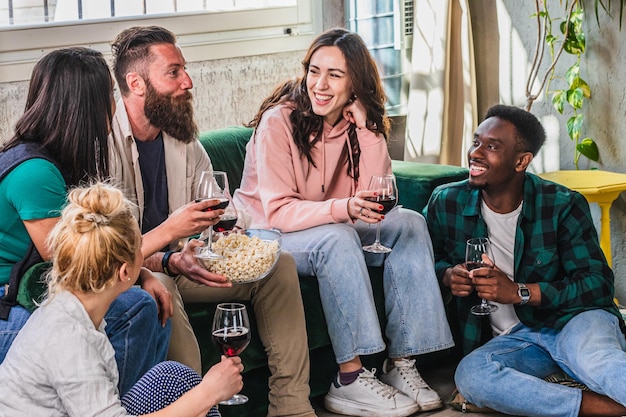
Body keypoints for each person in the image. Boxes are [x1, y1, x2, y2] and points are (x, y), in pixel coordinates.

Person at [233, 28, 454, 417]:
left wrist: (369, 132)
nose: (319, 85)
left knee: (409, 223)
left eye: (334, 75)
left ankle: (401, 364)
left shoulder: (355, 122)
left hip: (322, 227)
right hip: (266, 234)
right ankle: (350, 378)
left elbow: (378, 199)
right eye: (314, 71)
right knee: (336, 237)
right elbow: (280, 212)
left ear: (356, 81)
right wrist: (343, 209)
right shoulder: (278, 122)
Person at [108, 25, 316, 417]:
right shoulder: (102, 142)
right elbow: (109, 253)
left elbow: (216, 211)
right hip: (138, 271)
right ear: (135, 83)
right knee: (160, 289)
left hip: (188, 260)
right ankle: (201, 411)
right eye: (173, 72)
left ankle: (292, 407)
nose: (188, 81)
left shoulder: (183, 138)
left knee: (279, 266)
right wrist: (168, 259)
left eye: (184, 69)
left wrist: (229, 238)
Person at [425, 104, 626, 417]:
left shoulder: (561, 205)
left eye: (491, 147)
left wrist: (520, 291)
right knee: (472, 375)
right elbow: (429, 259)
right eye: (476, 142)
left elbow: (597, 285)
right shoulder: (446, 201)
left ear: (521, 161)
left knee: (597, 362)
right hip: (518, 342)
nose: (476, 153)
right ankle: (604, 408)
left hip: (572, 321)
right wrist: (448, 275)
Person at [0, 47, 173, 395]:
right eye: (109, 93)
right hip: (7, 310)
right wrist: (171, 231)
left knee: (149, 301)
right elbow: (77, 263)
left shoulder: (55, 159)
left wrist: (143, 273)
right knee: (136, 307)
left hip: (29, 297)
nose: (115, 103)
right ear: (85, 105)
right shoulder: (34, 172)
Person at [0, 182, 243, 417]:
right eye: (139, 248)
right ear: (125, 272)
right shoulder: (70, 339)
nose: (144, 254)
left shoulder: (77, 308)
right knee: (191, 390)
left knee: (174, 377)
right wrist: (208, 393)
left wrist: (201, 399)